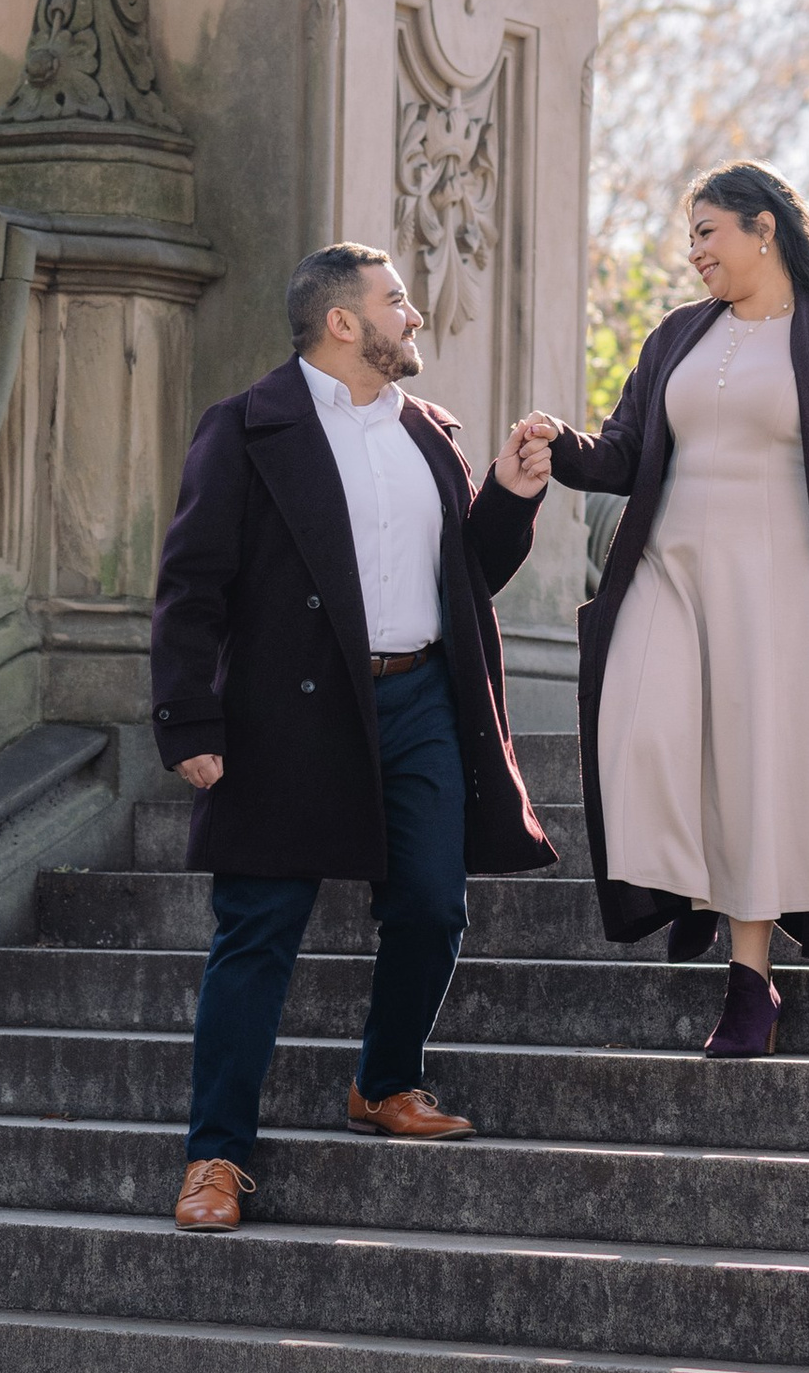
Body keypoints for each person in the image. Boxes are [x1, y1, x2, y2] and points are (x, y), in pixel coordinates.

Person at [149, 242, 560, 1229]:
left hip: (418, 695)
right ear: (342, 322)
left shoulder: (430, 433)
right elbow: (191, 583)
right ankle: (214, 1157)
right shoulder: (248, 428)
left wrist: (506, 494)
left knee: (430, 902)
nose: (411, 316)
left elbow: (465, 577)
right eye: (395, 301)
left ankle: (384, 1081)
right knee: (258, 933)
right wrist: (186, 716)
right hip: (288, 707)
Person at [546, 162, 809, 1058]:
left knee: (752, 772)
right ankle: (683, 886)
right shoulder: (677, 336)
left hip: (778, 595)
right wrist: (560, 446)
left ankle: (751, 982)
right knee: (645, 728)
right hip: (668, 573)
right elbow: (625, 451)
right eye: (690, 236)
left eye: (707, 231)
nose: (694, 251)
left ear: (764, 227)